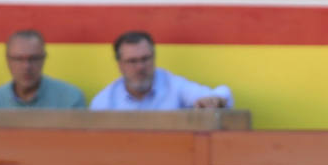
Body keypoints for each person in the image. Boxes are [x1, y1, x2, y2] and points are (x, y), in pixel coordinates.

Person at [89, 30, 231, 111]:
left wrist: (215, 100)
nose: (140, 67)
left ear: (154, 58)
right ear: (120, 65)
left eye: (145, 59)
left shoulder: (173, 85)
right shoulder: (104, 101)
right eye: (132, 61)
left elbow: (223, 95)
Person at [0, 30, 85, 110]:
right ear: (7, 60)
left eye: (33, 58)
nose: (26, 66)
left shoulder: (69, 99)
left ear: (44, 58)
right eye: (19, 59)